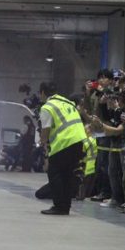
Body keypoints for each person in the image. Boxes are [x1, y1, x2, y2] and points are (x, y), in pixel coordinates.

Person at [38, 82, 86, 215]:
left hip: (64, 142)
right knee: (68, 174)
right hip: (79, 140)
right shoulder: (67, 102)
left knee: (55, 173)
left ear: (42, 92)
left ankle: (59, 206)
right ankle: (65, 206)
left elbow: (45, 129)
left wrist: (43, 143)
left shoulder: (47, 107)